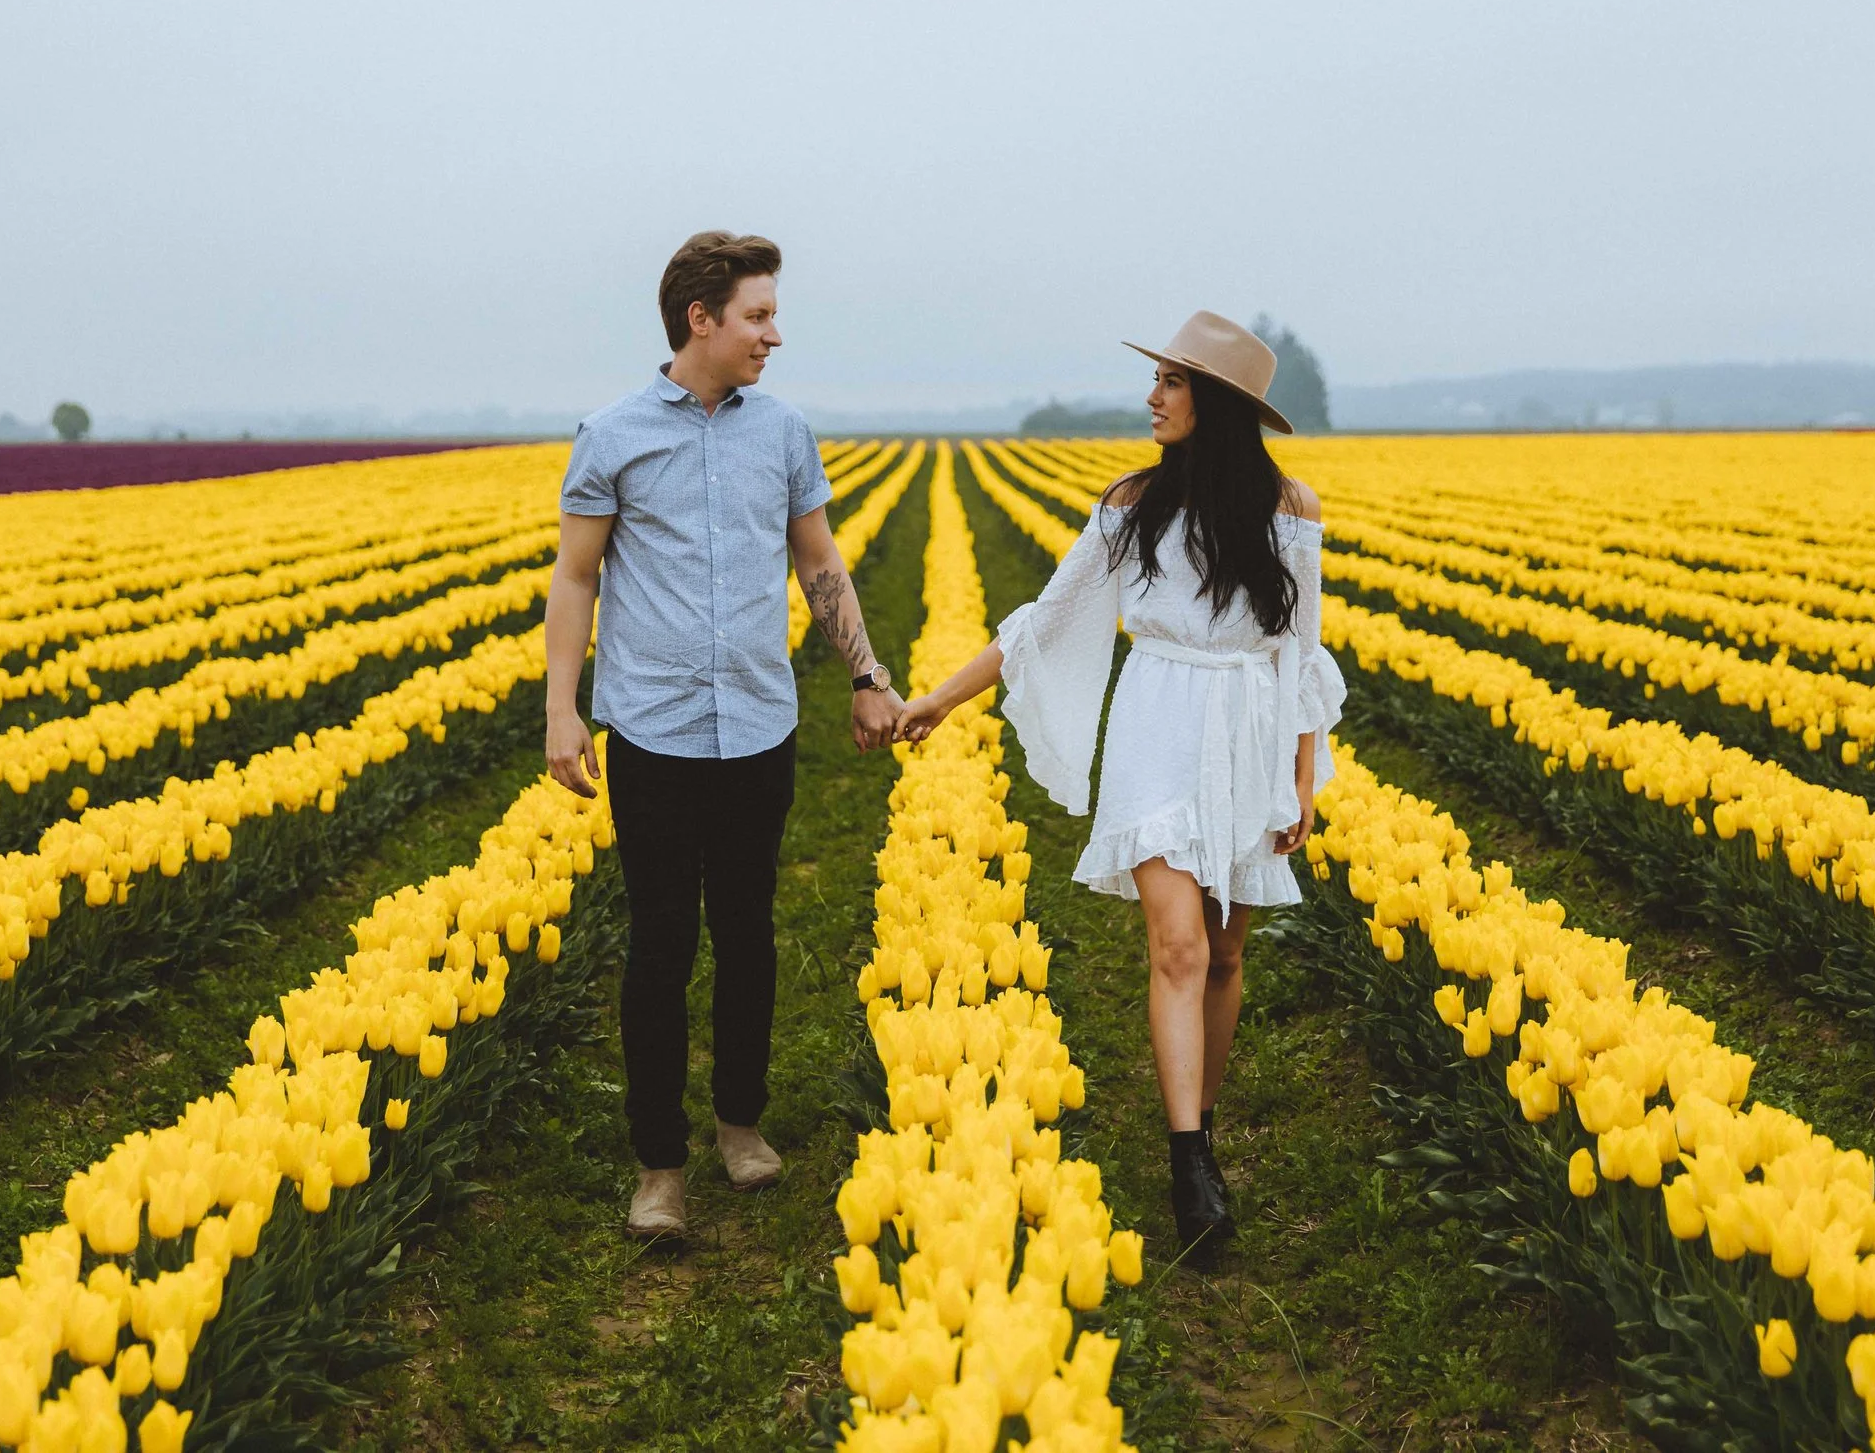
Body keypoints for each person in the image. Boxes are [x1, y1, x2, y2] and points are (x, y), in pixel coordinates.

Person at [896, 311, 1344, 1251]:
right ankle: (1189, 1164)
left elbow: (1301, 655)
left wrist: (1303, 778)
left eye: (1172, 383)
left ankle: (1202, 1126)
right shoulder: (1132, 505)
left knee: (1225, 952)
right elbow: (1047, 619)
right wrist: (940, 698)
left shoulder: (1290, 511)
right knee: (1178, 945)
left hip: (1248, 730)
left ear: (1214, 404)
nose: (1152, 397)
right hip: (1157, 723)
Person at [546, 231, 908, 1240]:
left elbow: (820, 562)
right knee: (660, 942)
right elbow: (576, 578)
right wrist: (561, 708)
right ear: (699, 318)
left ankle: (738, 1123)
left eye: (771, 314)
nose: (773, 334)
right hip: (652, 730)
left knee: (747, 933)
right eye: (756, 315)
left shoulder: (782, 432)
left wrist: (868, 676)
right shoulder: (611, 434)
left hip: (755, 723)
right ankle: (658, 1163)